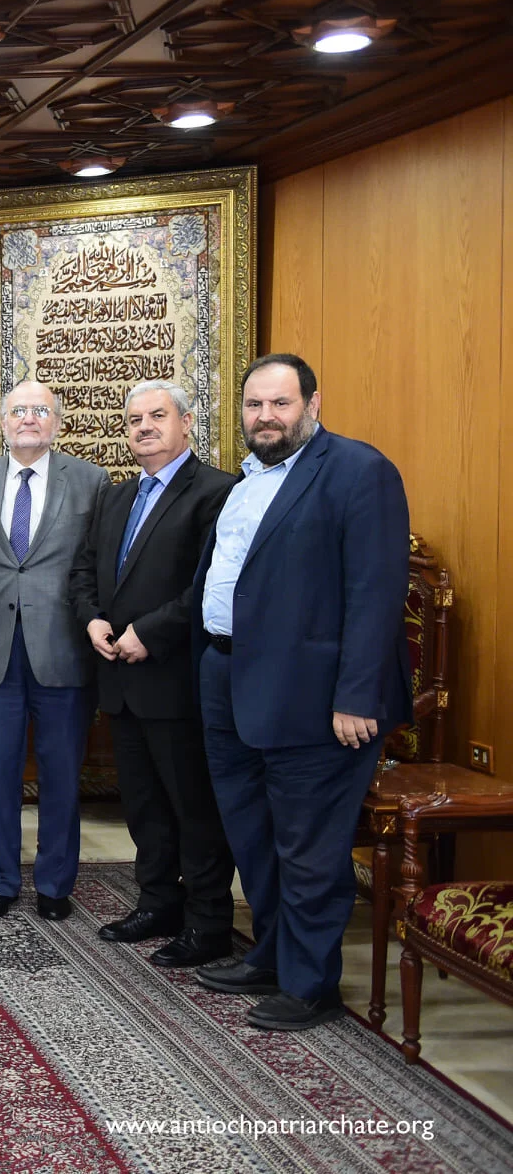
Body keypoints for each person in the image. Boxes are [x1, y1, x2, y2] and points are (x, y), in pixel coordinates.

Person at [192, 353, 410, 1030]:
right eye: (255, 405)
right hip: (229, 679)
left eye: (280, 404)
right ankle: (273, 954)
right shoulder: (247, 481)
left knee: (309, 847)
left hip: (315, 699)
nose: (266, 417)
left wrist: (356, 696)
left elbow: (376, 595)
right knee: (252, 835)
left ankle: (312, 985)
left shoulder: (357, 471)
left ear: (313, 404)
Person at [68, 380, 234, 967]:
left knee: (195, 809)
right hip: (120, 681)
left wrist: (150, 633)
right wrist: (92, 621)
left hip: (176, 680)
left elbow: (212, 586)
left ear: (186, 423)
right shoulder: (116, 497)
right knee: (143, 807)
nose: (144, 426)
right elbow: (85, 571)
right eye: (134, 418)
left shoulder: (217, 491)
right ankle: (159, 902)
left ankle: (210, 923)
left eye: (157, 416)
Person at [0, 380, 110, 920]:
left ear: (57, 422)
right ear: (2, 421)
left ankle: (55, 884)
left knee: (62, 771)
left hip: (63, 648)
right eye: (18, 411)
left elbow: (100, 568)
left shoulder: (91, 481)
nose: (28, 419)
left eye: (40, 411)